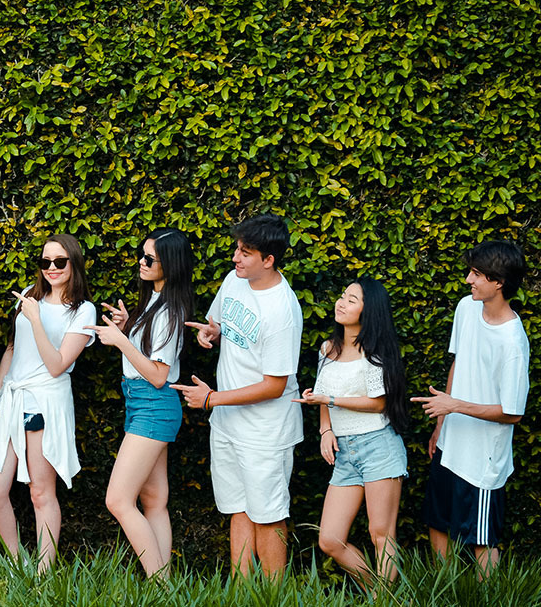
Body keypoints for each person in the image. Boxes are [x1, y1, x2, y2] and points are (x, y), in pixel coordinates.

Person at [173, 213, 303, 578]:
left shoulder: (282, 311)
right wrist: (212, 333)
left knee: (268, 516)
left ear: (269, 260)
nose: (235, 257)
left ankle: (273, 598)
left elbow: (274, 385)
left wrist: (212, 399)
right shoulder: (235, 280)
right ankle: (241, 591)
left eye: (245, 252)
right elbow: (222, 325)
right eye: (237, 249)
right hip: (228, 424)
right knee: (238, 509)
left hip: (265, 433)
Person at [413, 240, 529, 574]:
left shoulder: (512, 342)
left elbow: (513, 412)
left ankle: (484, 597)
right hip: (450, 446)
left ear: (499, 282)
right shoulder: (466, 307)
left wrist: (454, 405)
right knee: (437, 521)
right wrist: (441, 425)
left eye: (477, 274)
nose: (468, 280)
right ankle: (443, 590)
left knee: (482, 540)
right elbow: (459, 362)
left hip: (483, 461)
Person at [0, 234, 95, 573]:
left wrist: (35, 319)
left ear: (73, 263)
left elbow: (57, 364)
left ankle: (44, 573)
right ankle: (19, 564)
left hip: (46, 403)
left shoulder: (83, 309)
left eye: (59, 261)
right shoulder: (30, 296)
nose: (51, 268)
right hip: (11, 400)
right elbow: (12, 350)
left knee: (41, 493)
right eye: (45, 262)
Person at [85, 228, 194, 578]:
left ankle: (159, 584)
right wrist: (128, 326)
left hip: (153, 403)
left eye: (150, 258)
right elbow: (148, 352)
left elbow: (159, 375)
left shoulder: (169, 310)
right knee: (154, 501)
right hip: (143, 403)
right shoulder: (155, 300)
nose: (141, 262)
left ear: (170, 265)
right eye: (142, 255)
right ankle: (165, 584)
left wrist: (121, 340)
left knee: (118, 500)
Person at [293, 277, 410, 586]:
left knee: (381, 534)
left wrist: (330, 400)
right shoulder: (328, 348)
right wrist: (325, 429)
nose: (341, 303)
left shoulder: (374, 352)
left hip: (378, 446)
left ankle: (384, 600)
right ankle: (383, 592)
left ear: (368, 311)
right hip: (345, 452)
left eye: (351, 300)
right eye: (343, 296)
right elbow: (321, 394)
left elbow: (378, 403)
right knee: (330, 539)